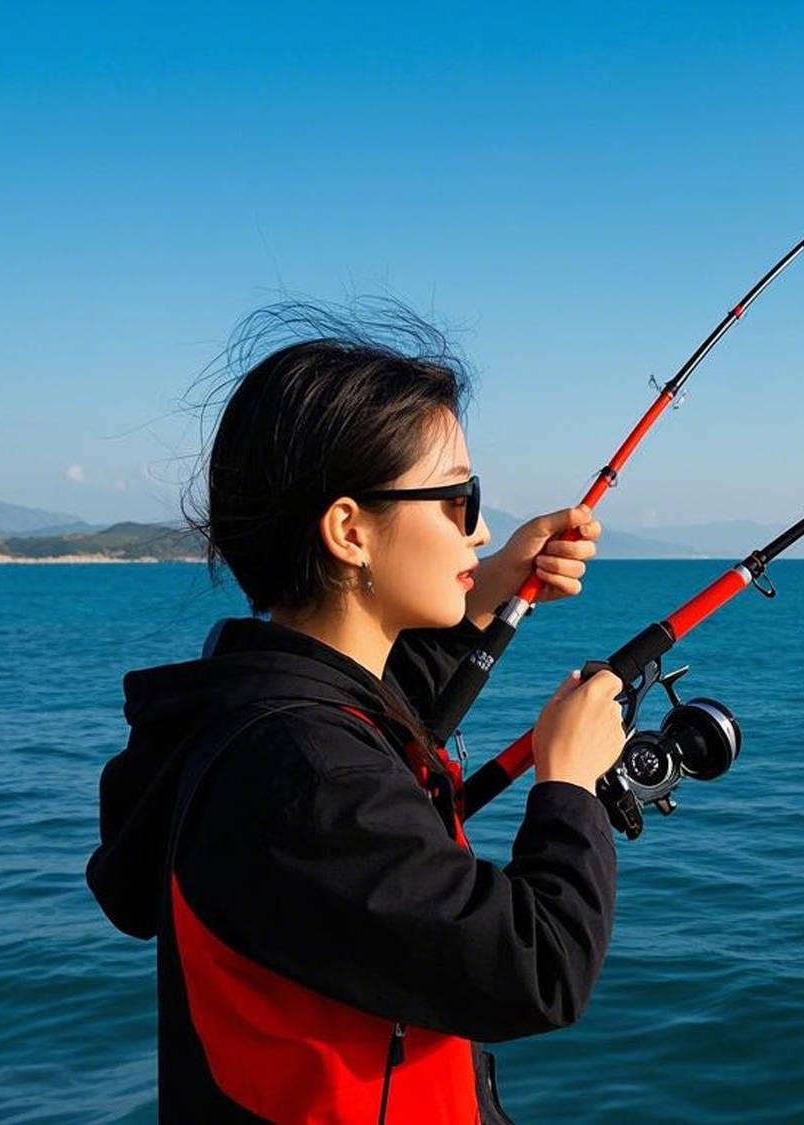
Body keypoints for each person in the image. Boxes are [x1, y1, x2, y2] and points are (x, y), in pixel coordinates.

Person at [86, 306, 627, 1123]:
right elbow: (537, 967)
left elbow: (374, 703)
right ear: (348, 530)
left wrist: (484, 593)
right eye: (457, 499)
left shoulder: (254, 715)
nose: (479, 528)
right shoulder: (305, 777)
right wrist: (569, 786)